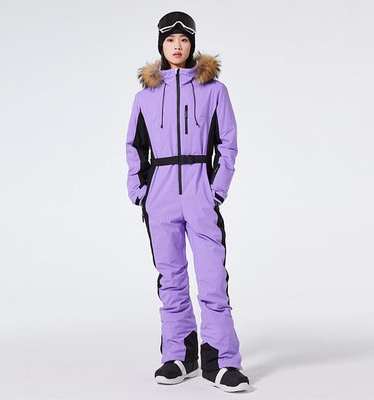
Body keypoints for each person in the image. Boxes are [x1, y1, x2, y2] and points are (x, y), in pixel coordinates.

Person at [125, 11, 249, 393]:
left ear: (192, 43)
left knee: (212, 279)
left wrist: (216, 190)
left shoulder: (214, 90)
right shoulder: (145, 97)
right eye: (169, 40)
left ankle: (221, 361)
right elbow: (134, 146)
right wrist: (140, 192)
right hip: (160, 196)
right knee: (171, 279)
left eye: (183, 39)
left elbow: (227, 144)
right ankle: (179, 355)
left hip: (199, 193)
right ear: (161, 45)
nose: (177, 46)